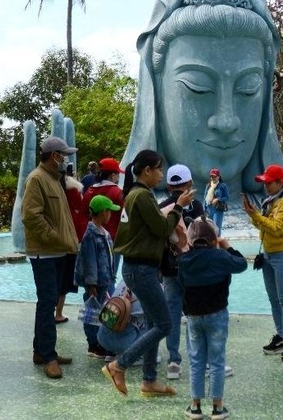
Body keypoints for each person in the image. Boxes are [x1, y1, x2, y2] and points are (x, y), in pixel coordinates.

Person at [120, 0, 283, 203]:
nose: (225, 121)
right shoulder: (132, 213)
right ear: (156, 92)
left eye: (249, 89)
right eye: (198, 88)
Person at [103, 149, 190, 398]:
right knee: (164, 324)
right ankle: (119, 365)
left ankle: (149, 381)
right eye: (159, 169)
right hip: (140, 268)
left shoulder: (136, 194)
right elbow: (162, 227)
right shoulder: (141, 195)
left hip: (138, 267)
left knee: (153, 322)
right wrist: (179, 207)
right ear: (147, 171)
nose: (162, 174)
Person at [21, 136, 80, 379]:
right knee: (47, 303)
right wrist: (55, 237)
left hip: (58, 251)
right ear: (53, 156)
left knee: (48, 302)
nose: (65, 159)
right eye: (62, 154)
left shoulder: (54, 179)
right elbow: (31, 217)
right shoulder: (37, 179)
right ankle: (48, 356)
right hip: (45, 252)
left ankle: (42, 350)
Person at [179, 217, 248, 420]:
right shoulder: (220, 257)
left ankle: (195, 406)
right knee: (217, 361)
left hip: (193, 316)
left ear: (191, 241)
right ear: (213, 240)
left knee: (196, 360)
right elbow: (242, 264)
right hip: (217, 313)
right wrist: (228, 247)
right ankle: (217, 407)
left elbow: (182, 286)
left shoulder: (183, 261)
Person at [241, 164, 283, 356]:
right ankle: (281, 335)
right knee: (274, 299)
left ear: (280, 182)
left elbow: (277, 228)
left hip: (282, 255)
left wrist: (255, 215)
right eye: (264, 182)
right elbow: (264, 227)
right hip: (268, 255)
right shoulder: (271, 201)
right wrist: (253, 214)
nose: (265, 186)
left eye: (268, 182)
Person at [157, 164, 206, 380]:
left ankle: (173, 362)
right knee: (195, 313)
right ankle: (200, 362)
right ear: (189, 183)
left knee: (173, 313)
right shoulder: (195, 206)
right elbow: (204, 235)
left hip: (168, 267)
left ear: (168, 185)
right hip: (192, 267)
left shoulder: (161, 206)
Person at [74, 194, 120, 360]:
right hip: (95, 282)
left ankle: (103, 342)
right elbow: (90, 260)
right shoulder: (91, 234)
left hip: (104, 280)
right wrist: (91, 283)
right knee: (92, 313)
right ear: (102, 212)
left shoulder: (103, 232)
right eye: (109, 211)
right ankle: (93, 344)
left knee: (103, 312)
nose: (111, 215)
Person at [54, 162, 84, 325]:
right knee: (65, 278)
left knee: (54, 276)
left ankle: (51, 311)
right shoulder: (73, 189)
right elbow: (79, 211)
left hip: (52, 239)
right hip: (69, 238)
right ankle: (58, 313)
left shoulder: (48, 186)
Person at [204, 168, 229, 234]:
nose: (212, 178)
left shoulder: (223, 186)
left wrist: (218, 199)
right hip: (209, 209)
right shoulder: (208, 185)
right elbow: (205, 197)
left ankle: (217, 243)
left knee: (216, 228)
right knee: (209, 228)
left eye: (214, 176)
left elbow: (227, 197)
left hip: (217, 209)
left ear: (218, 177)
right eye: (211, 176)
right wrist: (204, 209)